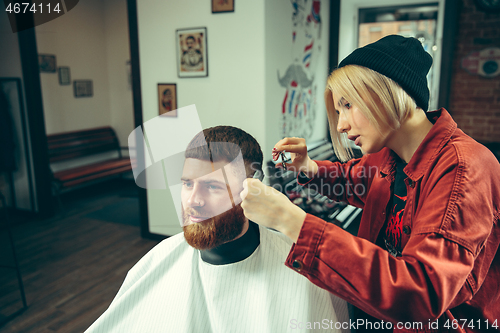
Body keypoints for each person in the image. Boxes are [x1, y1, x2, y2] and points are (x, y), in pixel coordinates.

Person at [241, 35, 500, 333]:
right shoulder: (390, 157)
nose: (341, 125)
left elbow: (421, 295)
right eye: (339, 111)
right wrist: (307, 167)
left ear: (387, 92)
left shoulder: (465, 168)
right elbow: (352, 179)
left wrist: (290, 220)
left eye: (348, 105)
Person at [85, 126, 350, 333]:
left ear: (251, 189)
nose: (193, 201)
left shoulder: (303, 271)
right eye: (187, 184)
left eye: (212, 187)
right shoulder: (156, 262)